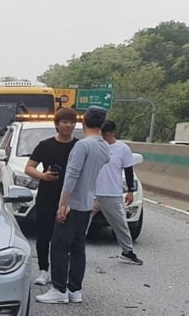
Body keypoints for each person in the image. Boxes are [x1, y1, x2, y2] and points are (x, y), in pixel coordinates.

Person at [36, 106, 113, 304]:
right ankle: (75, 289)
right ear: (102, 124)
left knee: (60, 245)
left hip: (73, 202)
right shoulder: (104, 146)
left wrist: (63, 204)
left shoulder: (82, 145)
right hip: (87, 202)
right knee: (78, 247)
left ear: (83, 121)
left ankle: (59, 289)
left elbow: (72, 175)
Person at [25, 107, 78, 286]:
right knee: (44, 234)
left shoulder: (79, 146)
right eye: (64, 122)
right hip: (47, 196)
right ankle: (43, 270)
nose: (68, 125)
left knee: (66, 237)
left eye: (72, 122)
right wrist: (43, 176)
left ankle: (63, 272)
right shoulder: (45, 145)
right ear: (57, 125)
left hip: (72, 196)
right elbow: (29, 167)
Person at [93, 120, 143, 265]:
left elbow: (128, 170)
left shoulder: (122, 149)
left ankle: (127, 252)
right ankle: (73, 249)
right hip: (92, 192)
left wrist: (130, 191)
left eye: (106, 133)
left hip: (112, 193)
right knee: (80, 222)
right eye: (101, 133)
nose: (104, 136)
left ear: (113, 133)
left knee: (120, 223)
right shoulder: (94, 146)